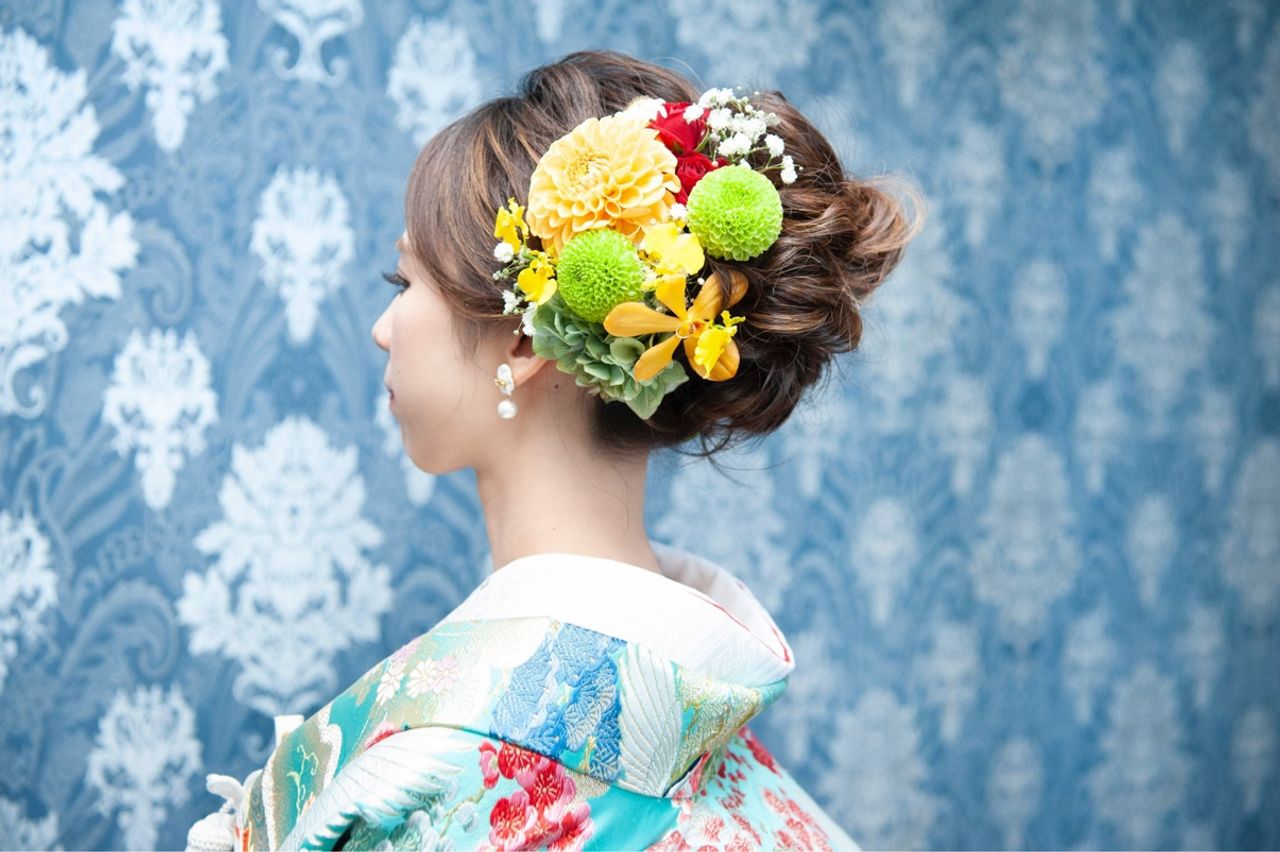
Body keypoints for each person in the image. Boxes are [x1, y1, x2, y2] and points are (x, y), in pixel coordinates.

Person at [185, 49, 921, 851]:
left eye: (405, 284)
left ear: (522, 339)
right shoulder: (719, 741)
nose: (382, 329)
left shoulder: (454, 776)